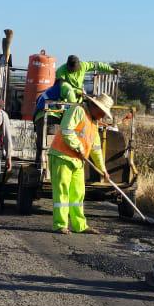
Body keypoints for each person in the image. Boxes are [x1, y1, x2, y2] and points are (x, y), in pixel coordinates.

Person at [48, 92, 114, 234]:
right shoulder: (78, 110)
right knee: (62, 192)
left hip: (78, 161)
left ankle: (80, 226)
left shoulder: (94, 122)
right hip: (62, 156)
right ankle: (60, 224)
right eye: (103, 112)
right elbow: (66, 130)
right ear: (96, 106)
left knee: (78, 193)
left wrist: (103, 169)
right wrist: (79, 147)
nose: (103, 116)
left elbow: (96, 148)